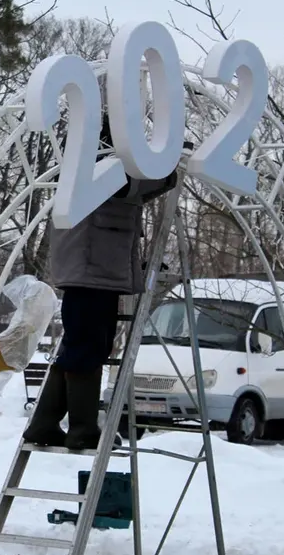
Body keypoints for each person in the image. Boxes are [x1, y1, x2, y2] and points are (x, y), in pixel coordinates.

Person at [23, 113, 183, 451]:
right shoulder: (101, 166)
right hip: (93, 271)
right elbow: (137, 184)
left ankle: (45, 424)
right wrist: (167, 167)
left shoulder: (80, 161)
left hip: (92, 270)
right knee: (87, 348)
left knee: (80, 346)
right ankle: (81, 429)